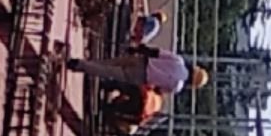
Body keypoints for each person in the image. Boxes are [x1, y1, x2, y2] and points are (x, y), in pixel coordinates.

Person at [68, 48, 209, 96]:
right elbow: (158, 90)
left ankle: (85, 63)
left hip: (143, 61)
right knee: (108, 72)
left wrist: (138, 49)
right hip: (142, 77)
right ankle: (79, 65)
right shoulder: (177, 87)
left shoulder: (179, 61)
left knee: (110, 62)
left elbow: (157, 52)